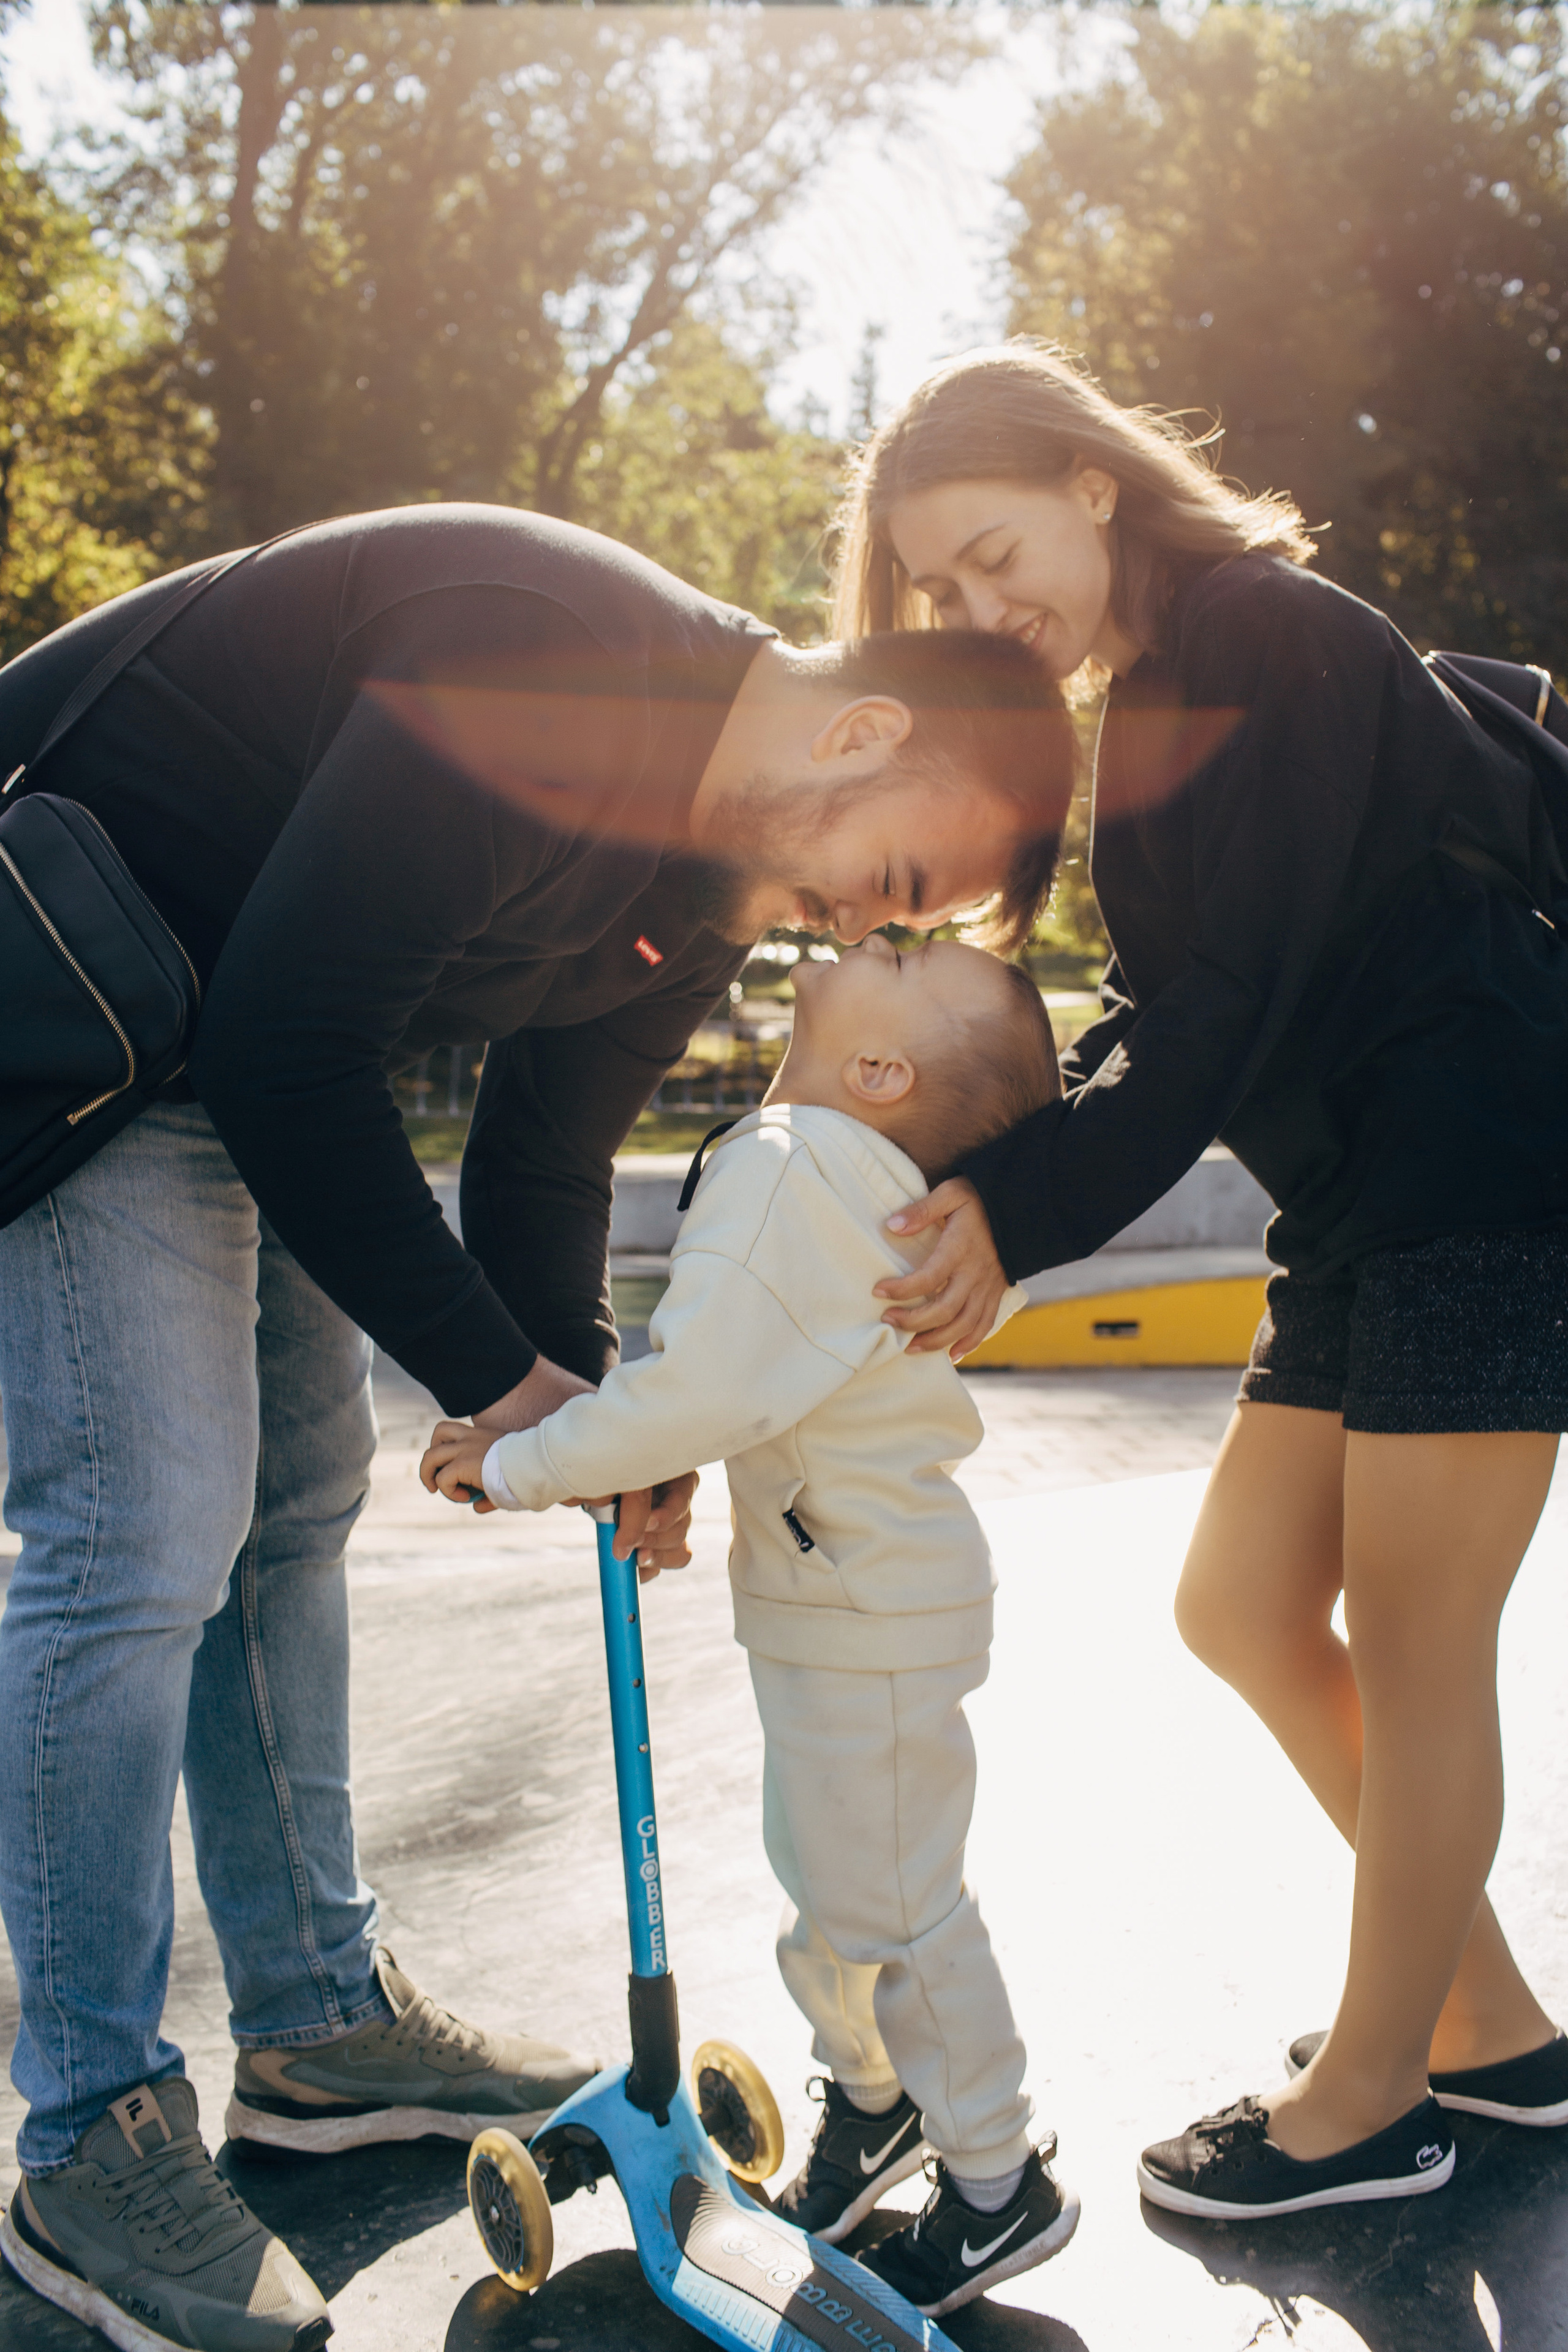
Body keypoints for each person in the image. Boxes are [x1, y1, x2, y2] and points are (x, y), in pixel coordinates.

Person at [0, 503, 1070, 2351]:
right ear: (859, 734)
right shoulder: (550, 657)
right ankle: (91, 2129)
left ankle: (317, 2025)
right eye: (895, 881)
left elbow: (544, 1151)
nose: (866, 927)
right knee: (144, 1527)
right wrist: (505, 1394)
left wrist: (608, 1411)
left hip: (218, 1028)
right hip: (84, 995)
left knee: (293, 1509)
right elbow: (291, 1047)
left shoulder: (701, 895)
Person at [831, 344, 1568, 2220]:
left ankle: (1371, 2098)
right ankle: (1492, 2031)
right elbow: (1174, 1010)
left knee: (1416, 1650)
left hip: (1491, 1169)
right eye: (947, 595)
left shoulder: (1269, 629)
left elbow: (1227, 995)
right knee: (1243, 1604)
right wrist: (994, 1166)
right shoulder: (1157, 688)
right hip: (1362, 1198)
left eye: (999, 556)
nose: (989, 615)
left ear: (1091, 481)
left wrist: (1025, 1210)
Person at [423, 929, 1080, 2318]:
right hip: (837, 1596)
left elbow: (701, 1390)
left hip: (865, 1610)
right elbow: (736, 1380)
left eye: (907, 953)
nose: (883, 927)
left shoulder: (802, 1170)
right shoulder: (823, 1169)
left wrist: (525, 1458)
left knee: (896, 1908)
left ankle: (993, 2185)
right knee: (831, 1890)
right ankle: (876, 2102)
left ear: (881, 1064)